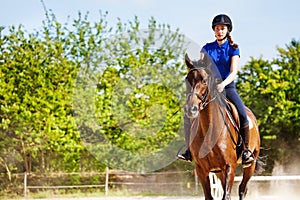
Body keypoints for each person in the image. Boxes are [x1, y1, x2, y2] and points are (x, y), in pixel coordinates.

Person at [177, 14, 254, 166]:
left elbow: (233, 72)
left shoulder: (233, 48)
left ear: (227, 30)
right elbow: (201, 69)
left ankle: (245, 151)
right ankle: (188, 150)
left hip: (227, 87)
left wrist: (223, 84)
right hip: (208, 88)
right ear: (214, 30)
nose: (220, 31)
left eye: (222, 28)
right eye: (217, 28)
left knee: (243, 115)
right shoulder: (206, 48)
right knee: (188, 116)